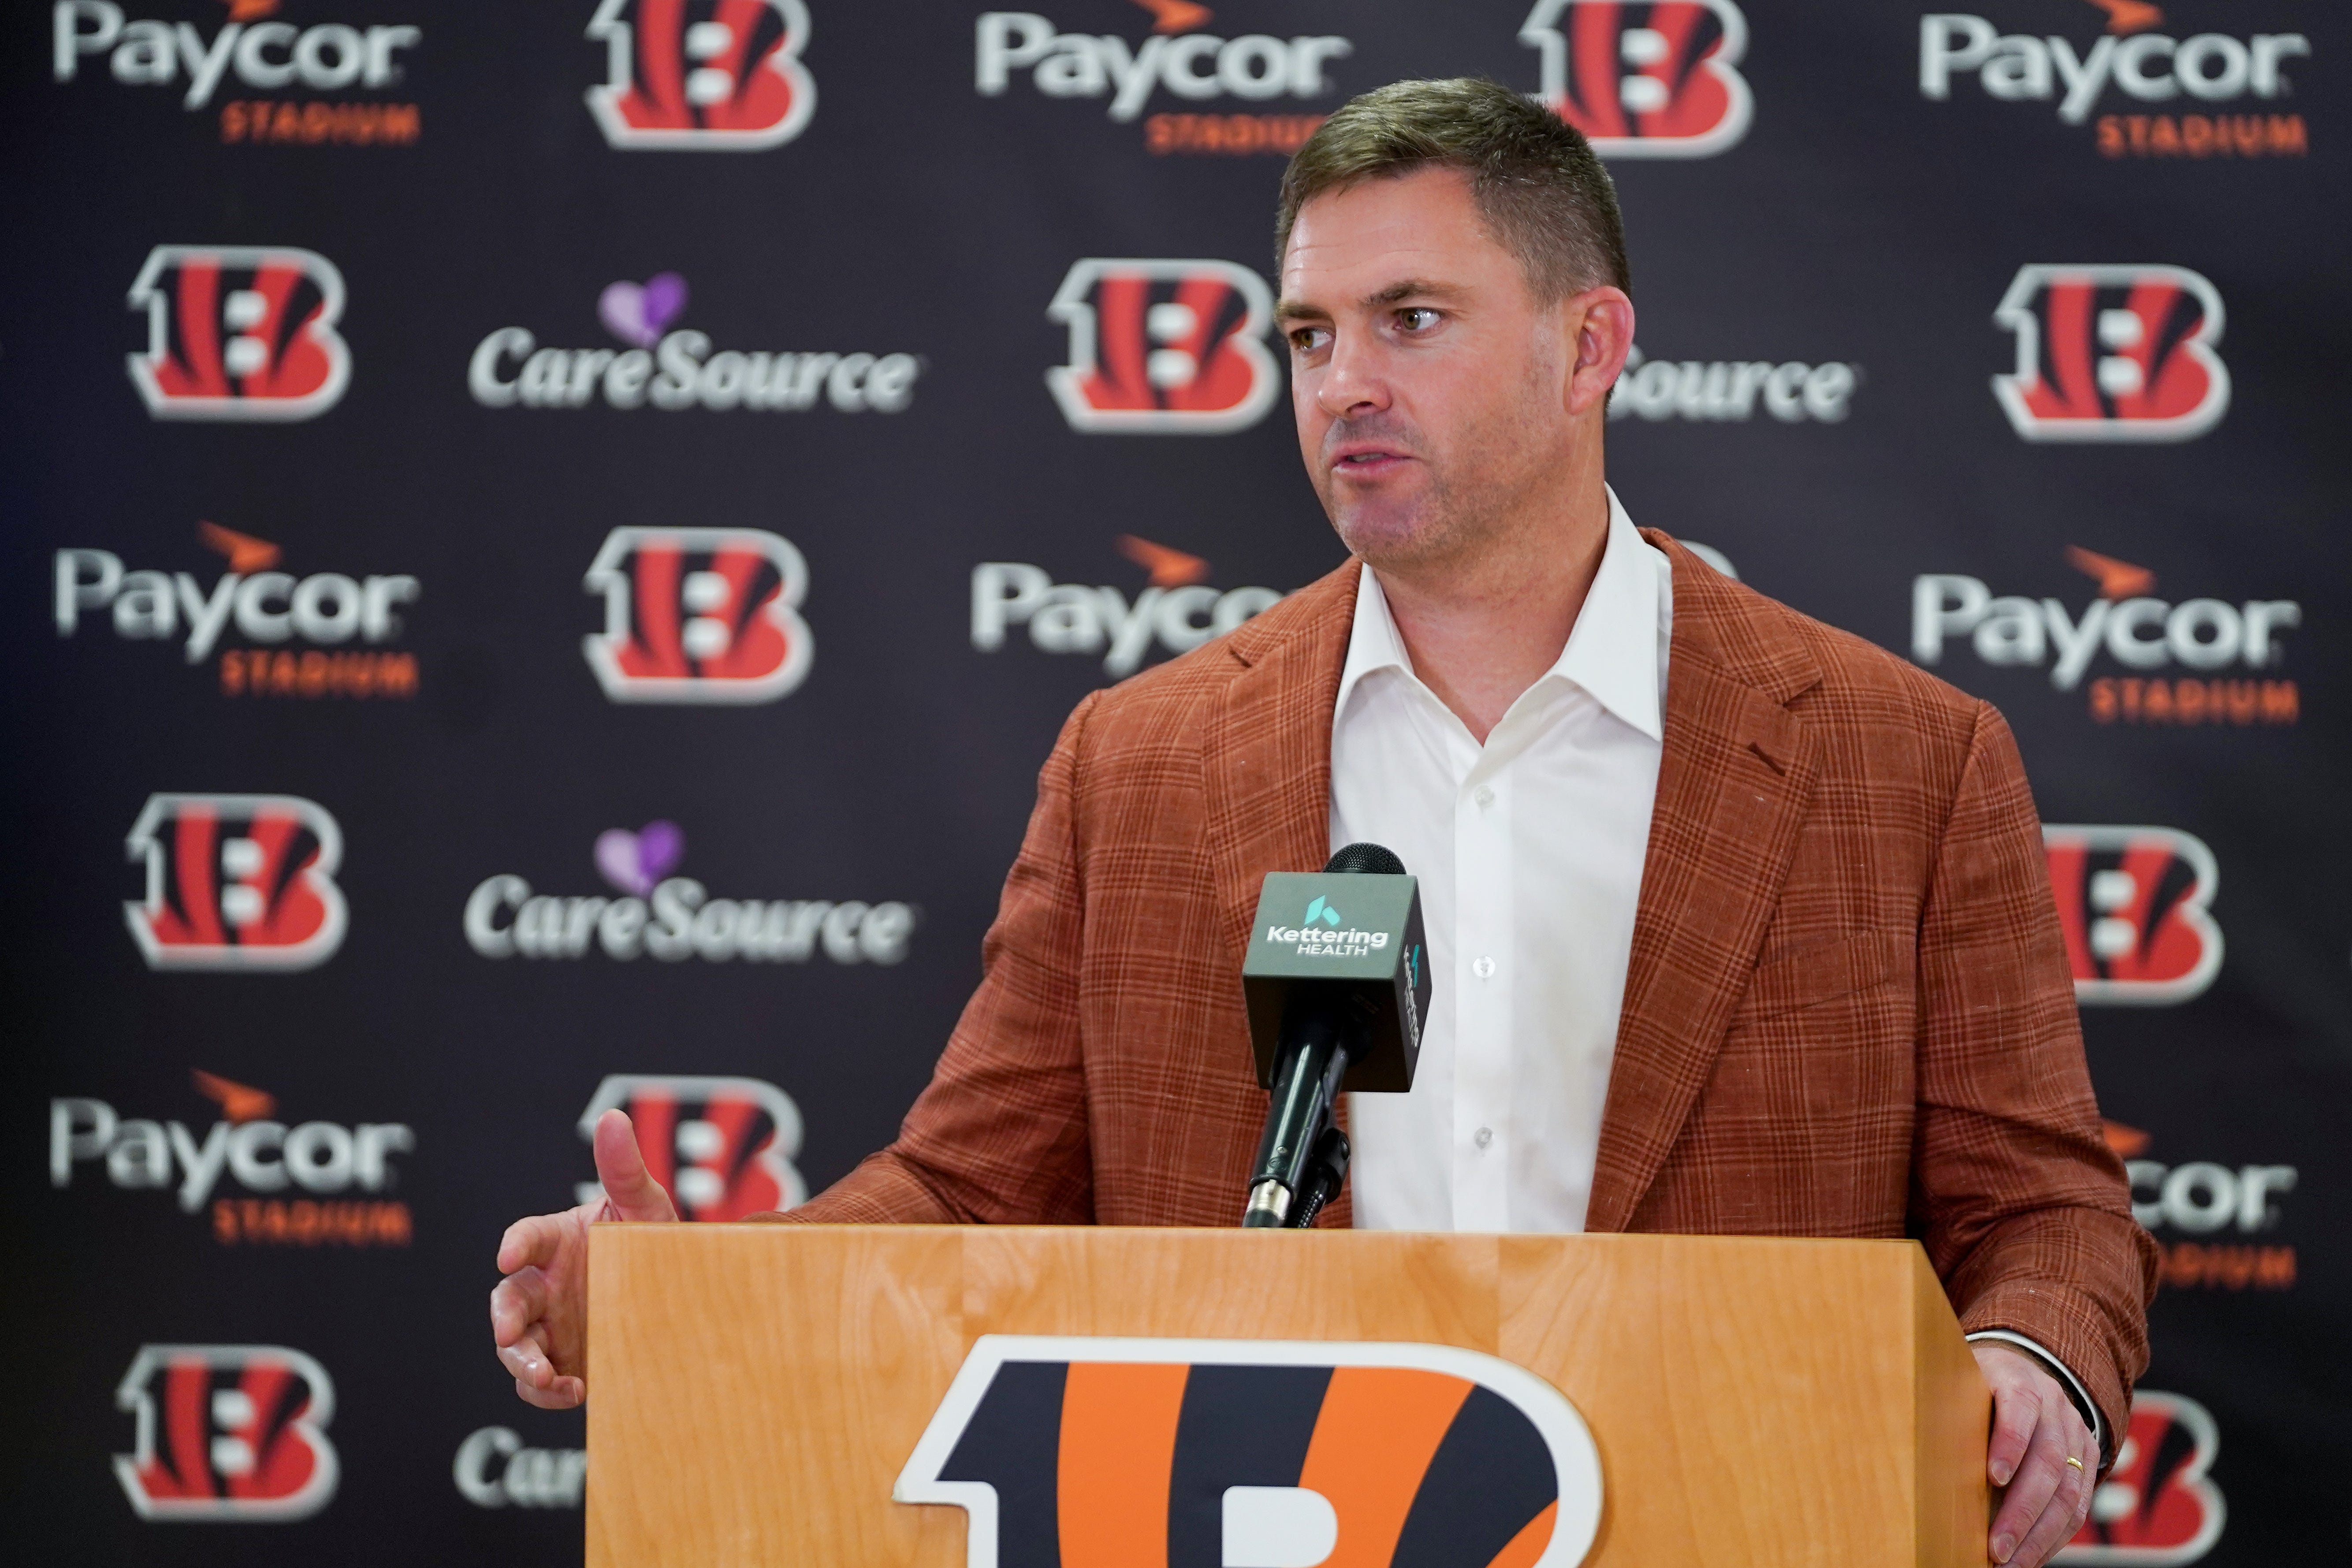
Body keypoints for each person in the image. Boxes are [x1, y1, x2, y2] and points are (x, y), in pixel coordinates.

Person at [491, 78, 2153, 1568]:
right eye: (1308, 335)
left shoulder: (1900, 758)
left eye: (1411, 318)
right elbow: (970, 1197)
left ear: (1591, 348)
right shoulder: (1136, 761)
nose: (1344, 380)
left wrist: (2030, 1359)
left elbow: (2045, 1209)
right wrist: (697, 1303)